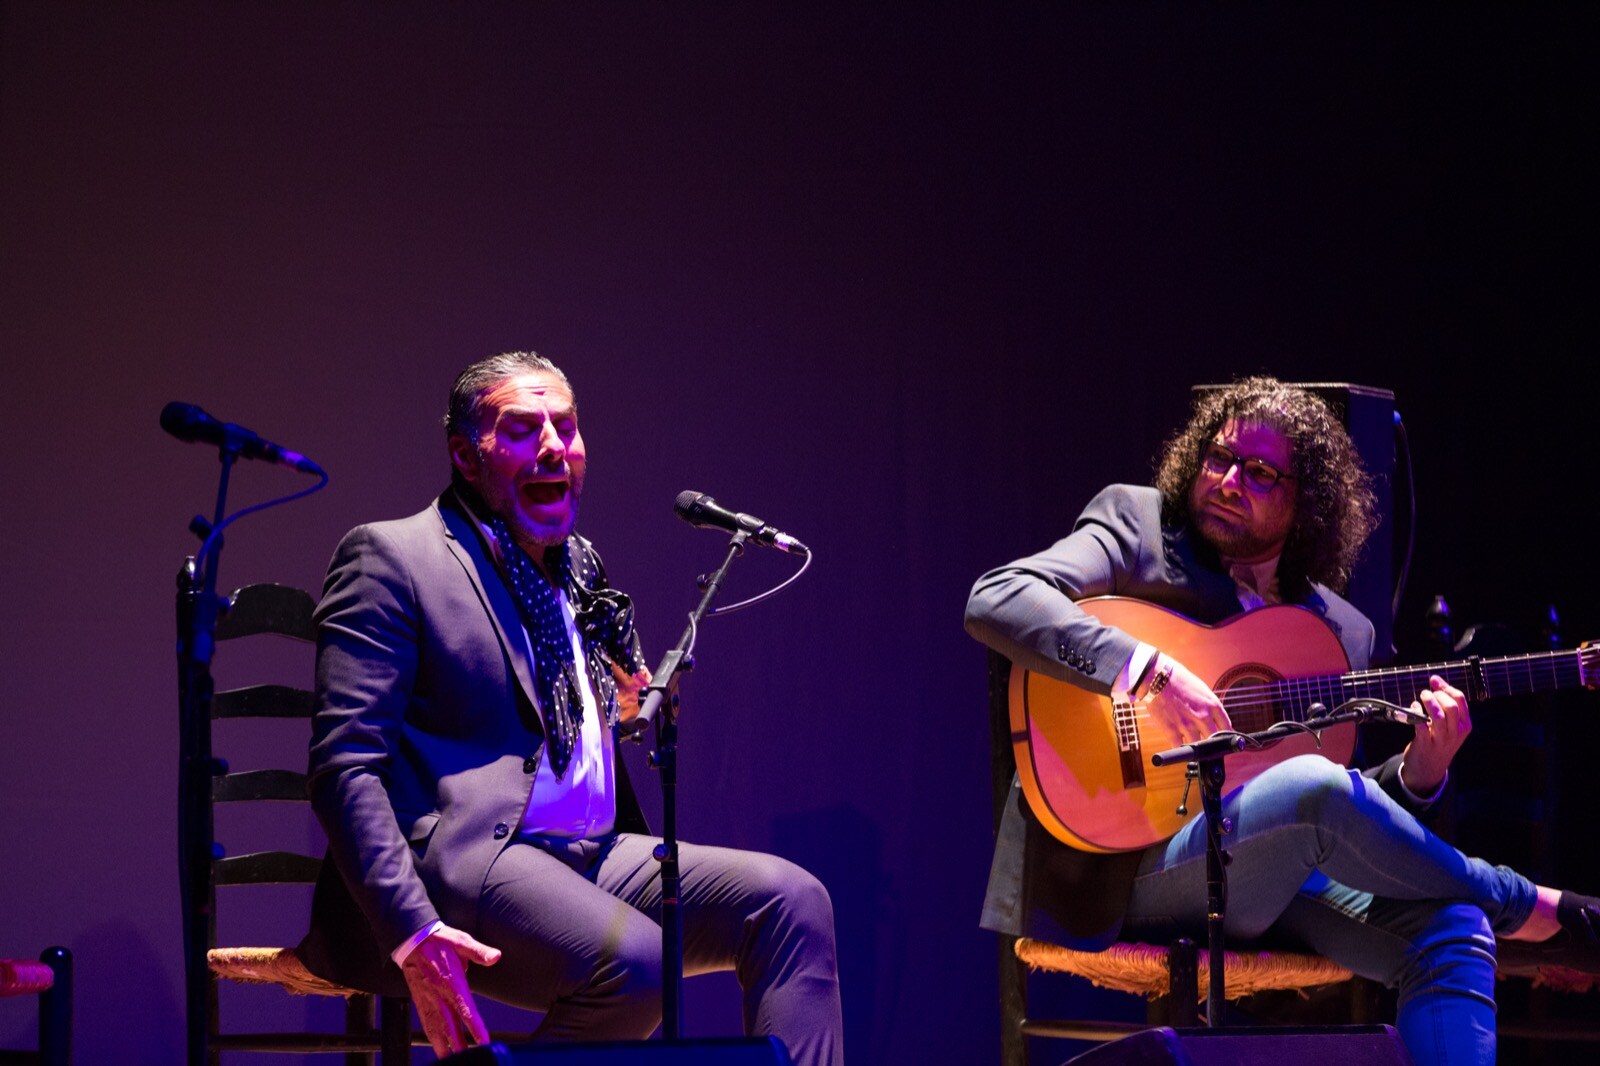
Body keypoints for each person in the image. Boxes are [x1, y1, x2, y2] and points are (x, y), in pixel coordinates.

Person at [963, 376, 1599, 1066]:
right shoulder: (1139, 527)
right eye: (1219, 458)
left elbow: (1336, 821)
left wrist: (1420, 775)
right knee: (1316, 787)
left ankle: (1498, 905)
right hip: (1128, 864)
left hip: (1270, 876)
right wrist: (1145, 668)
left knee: (1451, 928)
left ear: (1308, 503)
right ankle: (1529, 902)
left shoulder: (1338, 631)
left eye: (1260, 472)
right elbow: (999, 596)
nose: (1229, 480)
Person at [296, 351, 843, 1063]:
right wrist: (411, 932)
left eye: (566, 426)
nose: (554, 446)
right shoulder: (393, 558)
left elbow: (581, 711)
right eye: (523, 429)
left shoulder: (580, 567)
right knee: (638, 963)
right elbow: (343, 768)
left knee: (790, 901)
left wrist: (629, 703)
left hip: (589, 851)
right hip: (465, 859)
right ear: (466, 455)